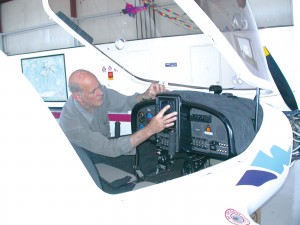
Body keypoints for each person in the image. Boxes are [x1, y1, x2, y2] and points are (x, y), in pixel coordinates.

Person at [59, 69, 177, 158]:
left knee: (147, 149)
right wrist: (150, 129)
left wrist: (145, 95)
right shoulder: (73, 125)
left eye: (98, 85)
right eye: (93, 91)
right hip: (90, 159)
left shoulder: (100, 92)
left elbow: (126, 102)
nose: (100, 93)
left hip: (106, 144)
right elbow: (111, 149)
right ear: (78, 97)